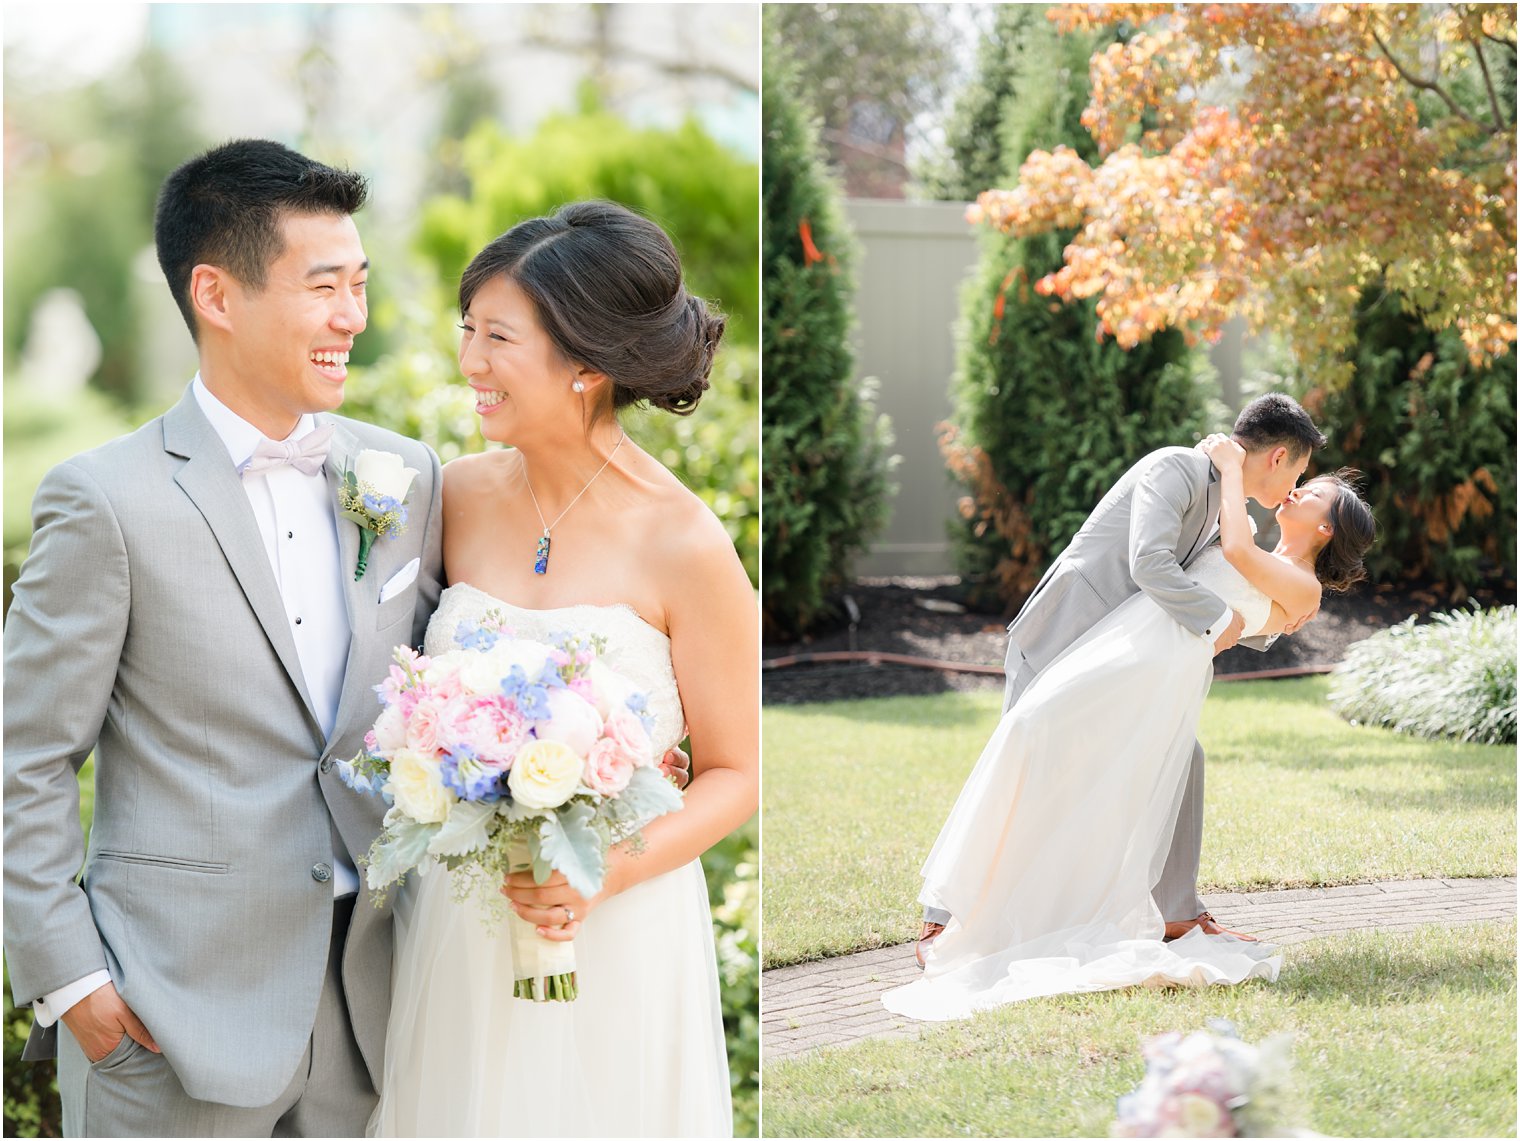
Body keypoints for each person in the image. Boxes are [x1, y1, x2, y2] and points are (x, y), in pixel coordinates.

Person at [2, 139, 446, 1135]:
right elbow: (23, 757)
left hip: (368, 1006)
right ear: (216, 293)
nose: (352, 318)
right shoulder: (104, 500)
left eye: (360, 284)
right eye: (323, 285)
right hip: (166, 1020)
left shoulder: (404, 474)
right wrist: (71, 979)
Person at [367, 201, 757, 1137]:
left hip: (614, 923)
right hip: (461, 922)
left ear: (586, 363)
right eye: (467, 330)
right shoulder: (450, 496)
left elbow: (738, 773)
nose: (470, 362)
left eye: (498, 336)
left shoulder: (685, 542)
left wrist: (604, 873)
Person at [885, 412, 1374, 1022]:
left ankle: (1171, 910)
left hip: (1145, 652)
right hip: (1074, 628)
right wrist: (1234, 618)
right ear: (1278, 457)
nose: (1299, 484)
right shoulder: (1180, 468)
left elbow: (1239, 580)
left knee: (1174, 759)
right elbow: (1159, 567)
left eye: (1311, 483)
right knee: (1026, 747)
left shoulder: (1236, 512)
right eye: (1302, 470)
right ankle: (948, 917)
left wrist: (1247, 617)